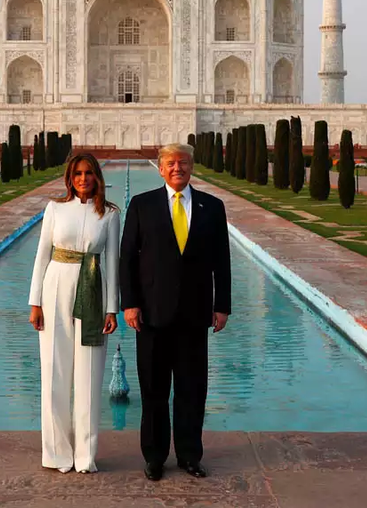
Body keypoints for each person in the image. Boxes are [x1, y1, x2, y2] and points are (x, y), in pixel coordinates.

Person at [120, 142, 231, 482]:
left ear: (192, 167)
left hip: (195, 314)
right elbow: (127, 259)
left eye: (183, 163)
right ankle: (154, 457)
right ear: (160, 167)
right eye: (170, 163)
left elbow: (222, 261)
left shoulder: (212, 206)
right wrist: (130, 303)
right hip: (152, 314)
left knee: (191, 389)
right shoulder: (142, 205)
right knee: (153, 390)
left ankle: (189, 455)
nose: (177, 168)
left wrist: (222, 305)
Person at [29, 153, 120, 474]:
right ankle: (56, 453)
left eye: (89, 173)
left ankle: (85, 456)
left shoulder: (109, 214)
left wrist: (112, 309)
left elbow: (113, 263)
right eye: (78, 174)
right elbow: (42, 255)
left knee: (90, 376)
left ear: (97, 177)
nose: (83, 179)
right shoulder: (55, 209)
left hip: (93, 290)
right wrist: (35, 302)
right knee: (54, 374)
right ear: (70, 178)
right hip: (55, 288)